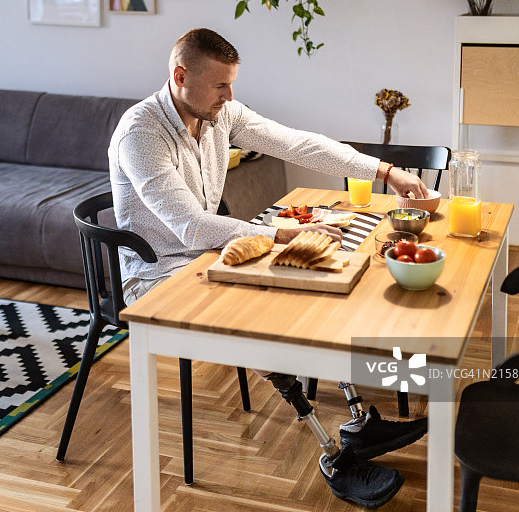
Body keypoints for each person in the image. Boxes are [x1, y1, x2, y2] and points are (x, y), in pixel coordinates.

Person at [108, 28, 428, 509]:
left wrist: (385, 171)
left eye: (231, 85)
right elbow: (192, 228)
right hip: (157, 274)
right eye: (220, 86)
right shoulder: (141, 134)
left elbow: (300, 145)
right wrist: (279, 235)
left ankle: (360, 422)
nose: (230, 97)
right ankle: (331, 454)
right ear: (180, 76)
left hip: (212, 255)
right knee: (261, 307)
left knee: (314, 278)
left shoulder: (220, 114)